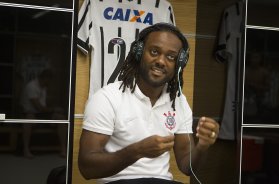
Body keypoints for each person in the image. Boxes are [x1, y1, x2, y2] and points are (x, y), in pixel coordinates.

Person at [78, 23, 220, 184]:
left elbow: (186, 167)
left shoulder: (178, 101)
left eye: (171, 57)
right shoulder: (107, 98)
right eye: (154, 52)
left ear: (179, 64)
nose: (161, 61)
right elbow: (86, 168)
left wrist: (202, 146)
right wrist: (136, 151)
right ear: (138, 52)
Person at [20, 69, 67, 158]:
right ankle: (26, 149)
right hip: (30, 113)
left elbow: (43, 106)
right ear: (44, 78)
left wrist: (54, 109)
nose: (50, 82)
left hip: (42, 114)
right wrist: (54, 109)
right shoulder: (31, 86)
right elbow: (38, 107)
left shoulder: (44, 87)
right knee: (28, 120)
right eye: (49, 80)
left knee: (61, 119)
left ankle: (63, 149)